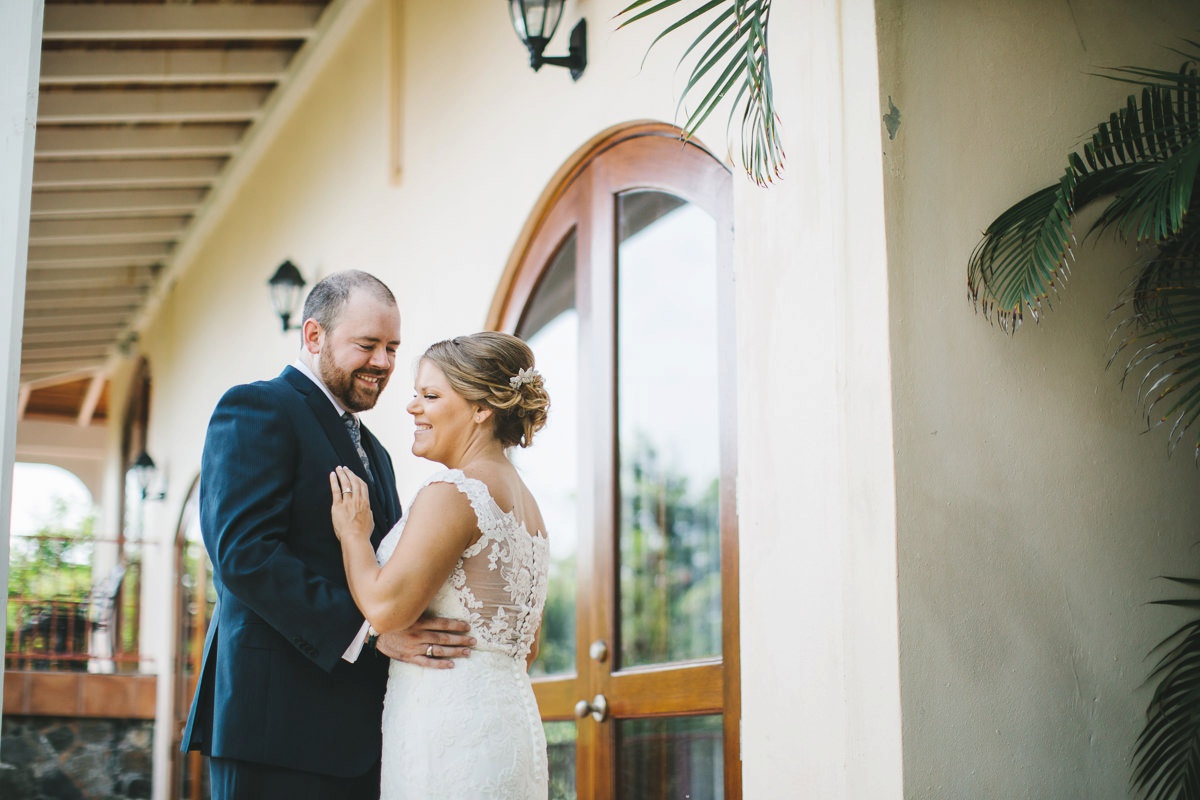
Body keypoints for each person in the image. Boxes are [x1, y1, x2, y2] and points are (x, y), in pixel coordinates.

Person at [182, 270, 475, 800]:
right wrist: (372, 634)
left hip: (362, 736)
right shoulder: (257, 407)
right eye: (367, 345)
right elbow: (244, 554)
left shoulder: (379, 454)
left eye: (392, 347)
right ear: (314, 336)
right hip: (276, 731)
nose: (384, 363)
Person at [330, 331, 552, 799]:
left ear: (480, 409)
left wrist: (354, 534)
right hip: (509, 727)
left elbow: (385, 610)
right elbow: (527, 647)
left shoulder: (453, 491)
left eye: (430, 396)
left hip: (449, 730)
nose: (413, 407)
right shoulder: (529, 509)